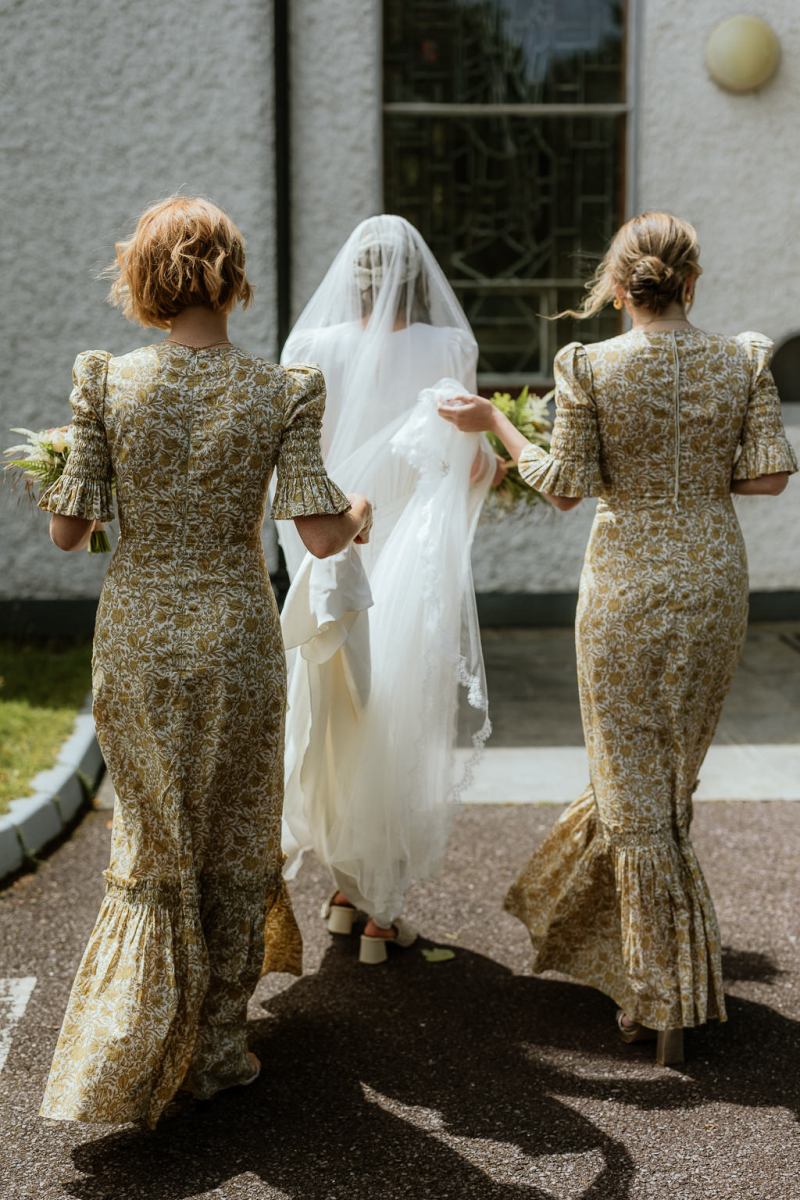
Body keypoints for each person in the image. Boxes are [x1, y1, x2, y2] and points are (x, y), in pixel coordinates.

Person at [38, 196, 372, 1127]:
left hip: (139, 629)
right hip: (233, 632)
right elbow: (318, 535)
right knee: (232, 831)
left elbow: (69, 532)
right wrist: (359, 518)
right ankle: (217, 1048)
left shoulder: (105, 381)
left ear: (142, 280)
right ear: (233, 277)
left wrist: (75, 481)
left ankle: (137, 1043)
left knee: (156, 837)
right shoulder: (284, 389)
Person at [439, 211, 797, 1063]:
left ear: (616, 285)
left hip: (626, 585)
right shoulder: (742, 356)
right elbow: (771, 474)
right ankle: (660, 981)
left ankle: (659, 995)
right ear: (691, 281)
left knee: (630, 786)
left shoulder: (588, 363)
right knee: (670, 788)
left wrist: (494, 422)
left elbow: (564, 487)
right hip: (712, 581)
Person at [275, 215, 497, 963]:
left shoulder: (310, 349)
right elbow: (465, 465)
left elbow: (291, 470)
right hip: (413, 562)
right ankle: (380, 909)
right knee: (402, 719)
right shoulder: (450, 349)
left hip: (334, 558)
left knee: (339, 715)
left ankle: (346, 890)